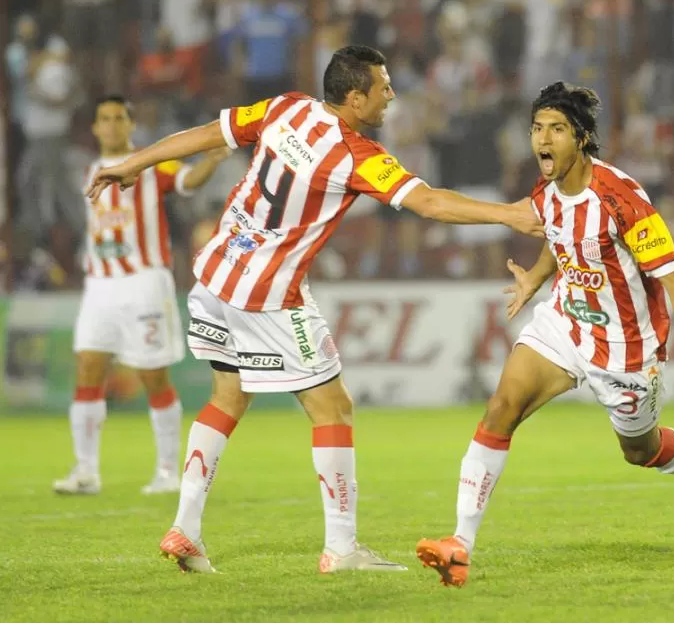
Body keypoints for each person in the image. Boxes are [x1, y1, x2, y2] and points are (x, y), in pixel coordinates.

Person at [86, 45, 542, 575]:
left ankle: (185, 528)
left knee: (227, 397)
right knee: (334, 409)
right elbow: (431, 203)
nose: (391, 95)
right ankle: (341, 549)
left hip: (214, 274)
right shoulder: (355, 154)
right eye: (383, 87)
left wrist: (130, 165)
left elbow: (207, 134)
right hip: (269, 295)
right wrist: (509, 215)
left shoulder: (287, 108)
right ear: (354, 98)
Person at [415, 82, 674, 588]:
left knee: (640, 451)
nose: (543, 138)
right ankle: (460, 545)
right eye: (537, 128)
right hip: (564, 322)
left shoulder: (621, 198)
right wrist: (537, 279)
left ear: (581, 138)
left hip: (626, 346)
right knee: (501, 407)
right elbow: (558, 238)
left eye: (556, 129)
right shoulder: (547, 191)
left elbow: (671, 274)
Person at [54, 95, 229, 496]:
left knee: (153, 375)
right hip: (99, 285)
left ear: (131, 126)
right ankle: (85, 470)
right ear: (95, 128)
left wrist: (212, 162)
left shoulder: (152, 164)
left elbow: (187, 181)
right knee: (87, 371)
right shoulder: (89, 172)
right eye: (105, 119)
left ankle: (168, 472)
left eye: (120, 118)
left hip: (144, 283)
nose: (112, 125)